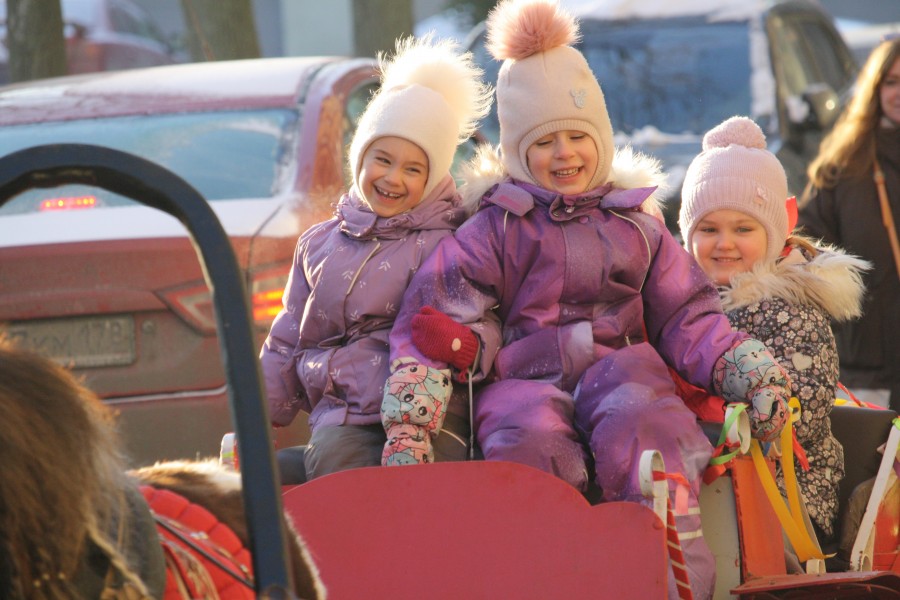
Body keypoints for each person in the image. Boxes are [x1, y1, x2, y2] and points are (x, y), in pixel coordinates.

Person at [379, 1, 793, 597]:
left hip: (622, 367)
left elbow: (687, 313)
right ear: (518, 150)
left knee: (648, 429)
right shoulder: (497, 227)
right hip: (527, 374)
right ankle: (542, 578)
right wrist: (411, 421)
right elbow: (437, 313)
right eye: (545, 141)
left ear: (600, 137)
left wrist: (743, 369)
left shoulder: (636, 226)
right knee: (526, 445)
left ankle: (669, 574)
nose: (565, 153)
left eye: (577, 136)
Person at [259, 35, 492, 482]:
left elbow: (481, 320)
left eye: (413, 169)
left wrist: (466, 346)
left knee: (434, 482)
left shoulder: (451, 242)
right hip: (345, 411)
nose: (392, 178)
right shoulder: (318, 244)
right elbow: (287, 336)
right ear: (360, 156)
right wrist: (261, 411)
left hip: (431, 409)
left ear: (434, 177)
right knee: (338, 471)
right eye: (382, 159)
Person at [678, 115, 870, 545]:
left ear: (773, 232)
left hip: (787, 493)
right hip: (700, 474)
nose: (724, 243)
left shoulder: (794, 312)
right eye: (708, 229)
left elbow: (800, 410)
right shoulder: (675, 310)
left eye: (743, 229)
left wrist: (718, 416)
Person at [798, 36, 900, 411]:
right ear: (874, 90)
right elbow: (807, 249)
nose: (898, 92)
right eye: (891, 82)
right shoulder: (845, 166)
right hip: (867, 364)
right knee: (875, 450)